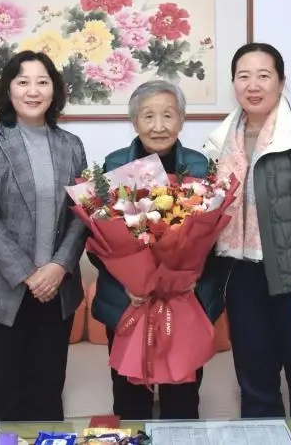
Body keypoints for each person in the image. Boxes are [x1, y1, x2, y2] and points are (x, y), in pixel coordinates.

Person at [202, 43, 291, 418]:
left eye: (264, 75)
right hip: (241, 275)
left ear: (281, 81)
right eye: (243, 76)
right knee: (255, 383)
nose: (253, 85)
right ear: (233, 83)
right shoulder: (222, 139)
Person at [0, 50, 89, 422]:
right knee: (2, 401)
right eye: (23, 82)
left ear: (54, 90)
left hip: (56, 292)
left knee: (47, 397)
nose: (33, 91)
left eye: (42, 82)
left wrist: (59, 267)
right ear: (8, 89)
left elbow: (83, 213)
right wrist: (31, 275)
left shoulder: (71, 145)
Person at [90, 79, 227, 420]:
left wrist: (190, 278)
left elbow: (215, 239)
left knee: (182, 402)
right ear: (134, 121)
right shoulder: (114, 165)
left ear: (182, 119)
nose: (158, 125)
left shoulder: (201, 167)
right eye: (148, 116)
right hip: (128, 304)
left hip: (186, 302)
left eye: (168, 115)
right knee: (129, 404)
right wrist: (127, 281)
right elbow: (96, 237)